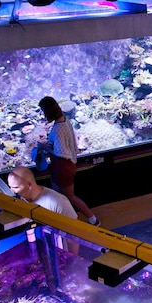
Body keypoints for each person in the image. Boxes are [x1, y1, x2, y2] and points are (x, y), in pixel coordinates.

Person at [37, 96, 100, 226]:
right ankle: (66, 220)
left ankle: (93, 219)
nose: (43, 114)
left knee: (69, 196)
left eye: (43, 111)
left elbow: (61, 152)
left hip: (62, 166)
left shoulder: (59, 128)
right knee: (60, 196)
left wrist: (45, 148)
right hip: (66, 165)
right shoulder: (64, 120)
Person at [7, 166, 77, 218]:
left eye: (15, 187)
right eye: (10, 186)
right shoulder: (21, 199)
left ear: (29, 185)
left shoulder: (58, 201)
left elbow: (74, 228)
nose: (12, 191)